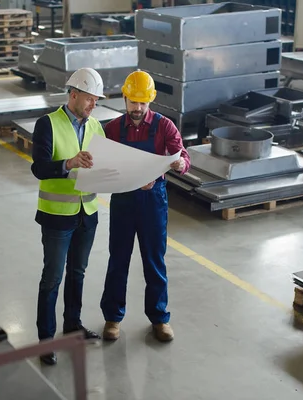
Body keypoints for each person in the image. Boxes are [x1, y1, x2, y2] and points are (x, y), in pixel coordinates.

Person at [100, 70, 191, 342]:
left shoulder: (165, 127)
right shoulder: (113, 128)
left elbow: (183, 155)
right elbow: (105, 164)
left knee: (154, 261)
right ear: (125, 98)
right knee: (118, 260)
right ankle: (113, 318)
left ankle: (159, 318)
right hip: (124, 200)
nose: (137, 108)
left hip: (153, 201)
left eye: (143, 103)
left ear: (150, 100)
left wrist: (179, 164)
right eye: (133, 102)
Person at [31, 67, 106, 365]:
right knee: (52, 278)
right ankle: (45, 341)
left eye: (96, 101)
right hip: (57, 216)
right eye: (89, 99)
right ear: (73, 95)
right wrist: (69, 163)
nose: (93, 105)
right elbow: (39, 168)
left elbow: (101, 166)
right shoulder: (47, 124)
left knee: (78, 273)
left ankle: (72, 324)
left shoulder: (95, 127)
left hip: (87, 213)